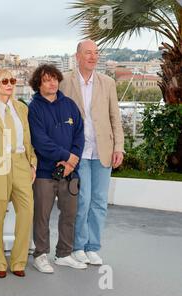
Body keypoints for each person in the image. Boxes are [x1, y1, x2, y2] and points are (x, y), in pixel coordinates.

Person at [60, 40, 124, 266]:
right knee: (83, 200)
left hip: (102, 151)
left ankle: (93, 247)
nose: (93, 57)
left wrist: (119, 147)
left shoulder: (107, 82)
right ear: (77, 56)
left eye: (96, 53)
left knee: (99, 201)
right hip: (77, 152)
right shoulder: (64, 81)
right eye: (88, 53)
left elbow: (115, 117)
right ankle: (78, 246)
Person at [0, 69, 37, 278]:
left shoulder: (22, 109)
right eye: (5, 81)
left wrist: (32, 163)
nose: (10, 84)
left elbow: (28, 138)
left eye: (12, 80)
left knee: (27, 212)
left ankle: (19, 261)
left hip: (21, 163)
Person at [28, 64, 87, 273]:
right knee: (42, 215)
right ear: (38, 84)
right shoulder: (33, 108)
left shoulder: (70, 105)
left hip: (71, 172)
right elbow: (40, 141)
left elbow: (79, 135)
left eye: (54, 78)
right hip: (45, 173)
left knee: (70, 214)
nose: (52, 83)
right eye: (46, 79)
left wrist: (72, 162)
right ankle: (41, 255)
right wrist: (66, 156)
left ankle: (64, 254)